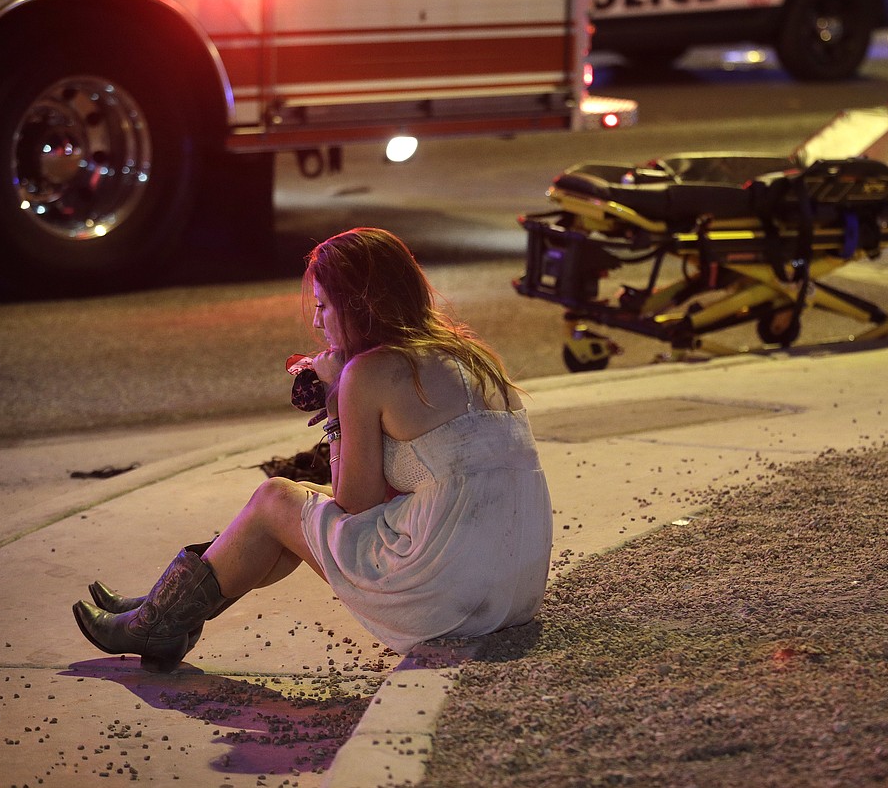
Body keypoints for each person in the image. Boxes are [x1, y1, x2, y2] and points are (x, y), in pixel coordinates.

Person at [73, 227, 554, 672]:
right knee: (294, 507)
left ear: (360, 304)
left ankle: (159, 619)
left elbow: (354, 505)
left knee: (275, 500)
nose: (318, 321)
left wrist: (336, 404)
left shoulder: (369, 373)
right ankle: (160, 614)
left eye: (324, 306)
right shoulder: (472, 357)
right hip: (514, 589)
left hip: (445, 594)